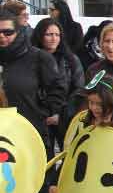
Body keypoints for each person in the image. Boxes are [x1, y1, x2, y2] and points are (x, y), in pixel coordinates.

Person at [0, 9, 66, 193]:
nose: (2, 37)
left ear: (18, 32)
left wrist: (47, 113)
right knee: (2, 183)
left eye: (7, 31)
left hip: (31, 132)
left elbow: (58, 88)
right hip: (2, 134)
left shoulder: (38, 58)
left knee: (39, 183)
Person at [31, 18, 84, 152]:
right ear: (40, 36)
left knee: (68, 155)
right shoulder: (30, 60)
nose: (54, 38)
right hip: (38, 119)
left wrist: (62, 114)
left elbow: (79, 89)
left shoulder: (71, 60)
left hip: (65, 117)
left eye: (57, 35)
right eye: (49, 34)